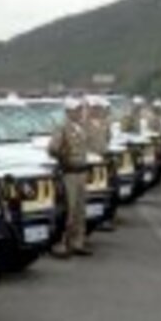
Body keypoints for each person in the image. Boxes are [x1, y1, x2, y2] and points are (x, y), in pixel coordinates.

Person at [48, 97, 92, 258]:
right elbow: (52, 148)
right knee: (68, 210)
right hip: (70, 173)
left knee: (80, 210)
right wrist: (63, 156)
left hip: (81, 172)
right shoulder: (62, 128)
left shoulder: (80, 128)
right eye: (75, 110)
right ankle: (60, 243)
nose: (79, 112)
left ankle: (77, 242)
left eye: (80, 109)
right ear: (68, 112)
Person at [84, 96, 116, 232]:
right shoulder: (83, 124)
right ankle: (91, 220)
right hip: (91, 163)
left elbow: (108, 138)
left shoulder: (104, 123)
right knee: (91, 193)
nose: (96, 111)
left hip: (103, 159)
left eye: (98, 108)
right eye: (93, 108)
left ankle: (105, 218)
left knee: (107, 190)